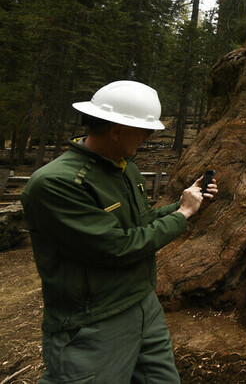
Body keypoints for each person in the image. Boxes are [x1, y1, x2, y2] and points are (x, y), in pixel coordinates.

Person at [21, 80, 217, 383]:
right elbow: (118, 247)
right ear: (117, 130)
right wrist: (183, 214)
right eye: (145, 130)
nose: (149, 138)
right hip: (94, 321)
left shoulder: (125, 167)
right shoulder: (57, 183)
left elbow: (142, 221)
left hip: (143, 304)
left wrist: (187, 203)